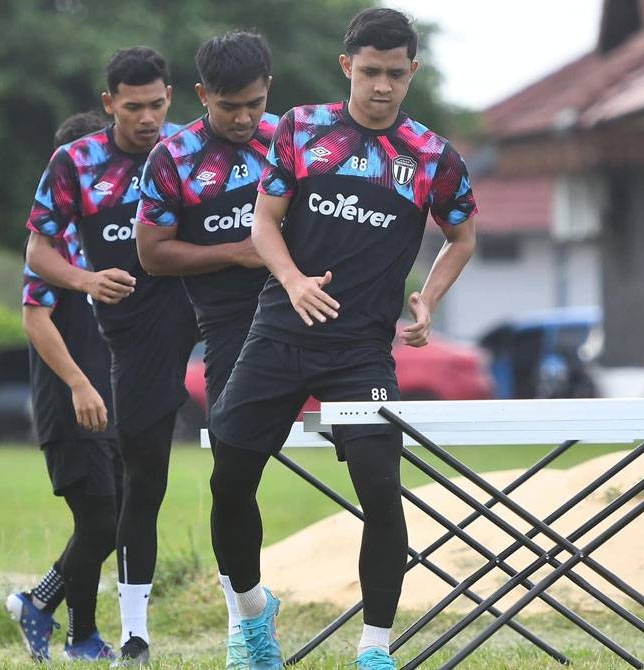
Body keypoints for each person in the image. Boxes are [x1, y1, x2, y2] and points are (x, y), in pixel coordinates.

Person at [207, 8, 478, 670]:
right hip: (279, 331)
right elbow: (263, 224)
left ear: (412, 71)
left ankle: (375, 651)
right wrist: (294, 280)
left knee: (381, 490)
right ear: (346, 66)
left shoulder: (433, 157)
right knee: (229, 479)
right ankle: (250, 616)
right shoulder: (303, 129)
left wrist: (428, 301)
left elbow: (462, 236)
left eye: (395, 74)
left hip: (361, 351)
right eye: (369, 72)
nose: (381, 86)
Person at [24, 46, 197, 666]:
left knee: (122, 506)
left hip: (153, 359)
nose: (148, 118)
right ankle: (96, 633)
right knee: (108, 510)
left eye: (156, 104)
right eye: (132, 108)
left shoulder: (187, 150)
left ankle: (59, 613)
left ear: (171, 97)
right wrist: (85, 281)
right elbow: (37, 283)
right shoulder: (75, 182)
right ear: (108, 107)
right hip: (97, 371)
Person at [134, 30, 277, 670]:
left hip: (309, 316)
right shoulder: (174, 157)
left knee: (372, 462)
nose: (244, 118)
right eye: (228, 107)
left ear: (268, 89)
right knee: (230, 482)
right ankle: (248, 620)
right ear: (201, 96)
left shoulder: (299, 141)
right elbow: (152, 254)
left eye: (253, 103)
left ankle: (375, 637)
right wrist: (237, 251)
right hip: (227, 329)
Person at [6, 110, 119, 663]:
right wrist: (79, 384)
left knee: (112, 520)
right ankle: (65, 625)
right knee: (102, 520)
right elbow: (34, 317)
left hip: (111, 397)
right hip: (71, 400)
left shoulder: (110, 228)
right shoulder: (54, 241)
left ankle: (58, 619)